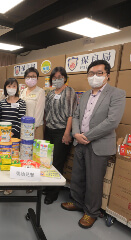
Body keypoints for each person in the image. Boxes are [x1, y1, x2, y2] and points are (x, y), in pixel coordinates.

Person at [61, 60, 126, 229]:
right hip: (80, 141)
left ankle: (91, 212)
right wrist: (76, 133)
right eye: (91, 74)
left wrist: (86, 136)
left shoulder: (116, 94)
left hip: (99, 144)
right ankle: (77, 201)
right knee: (78, 175)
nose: (94, 77)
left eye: (99, 73)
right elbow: (76, 115)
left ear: (107, 75)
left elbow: (112, 121)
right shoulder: (86, 95)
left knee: (94, 180)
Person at [43, 67, 77, 205]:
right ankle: (47, 186)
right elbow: (46, 112)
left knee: (57, 162)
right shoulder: (51, 93)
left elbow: (71, 114)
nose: (57, 80)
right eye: (54, 78)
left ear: (65, 78)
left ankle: (53, 193)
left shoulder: (69, 91)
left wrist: (67, 133)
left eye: (60, 77)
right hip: (49, 130)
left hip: (62, 131)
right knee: (47, 161)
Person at [0, 78, 26, 195]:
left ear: (17, 88)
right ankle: (2, 183)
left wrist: (12, 132)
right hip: (2, 137)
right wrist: (2, 133)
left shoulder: (21, 102)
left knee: (13, 162)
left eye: (14, 86)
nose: (11, 88)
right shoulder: (2, 102)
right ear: (5, 88)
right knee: (3, 160)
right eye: (9, 86)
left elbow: (21, 120)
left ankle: (11, 185)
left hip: (14, 137)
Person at [19, 67, 45, 140]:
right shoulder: (22, 91)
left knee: (35, 150)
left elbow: (39, 112)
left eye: (33, 76)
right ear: (25, 78)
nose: (31, 78)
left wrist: (33, 127)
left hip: (35, 127)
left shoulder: (40, 91)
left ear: (37, 78)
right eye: (28, 76)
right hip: (23, 126)